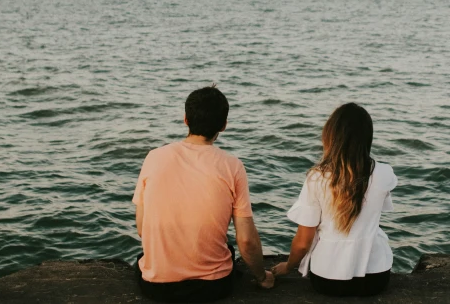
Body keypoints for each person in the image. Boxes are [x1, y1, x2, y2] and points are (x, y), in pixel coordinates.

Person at [132, 85, 275, 302]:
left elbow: (142, 230)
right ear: (224, 125)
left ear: (186, 120)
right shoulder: (233, 166)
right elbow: (246, 240)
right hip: (212, 287)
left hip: (157, 287)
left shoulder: (154, 157)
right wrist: (263, 277)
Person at [272, 102, 397, 297]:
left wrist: (288, 266)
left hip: (328, 278)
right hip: (376, 276)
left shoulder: (317, 177)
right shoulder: (384, 173)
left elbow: (304, 241)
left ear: (331, 136)